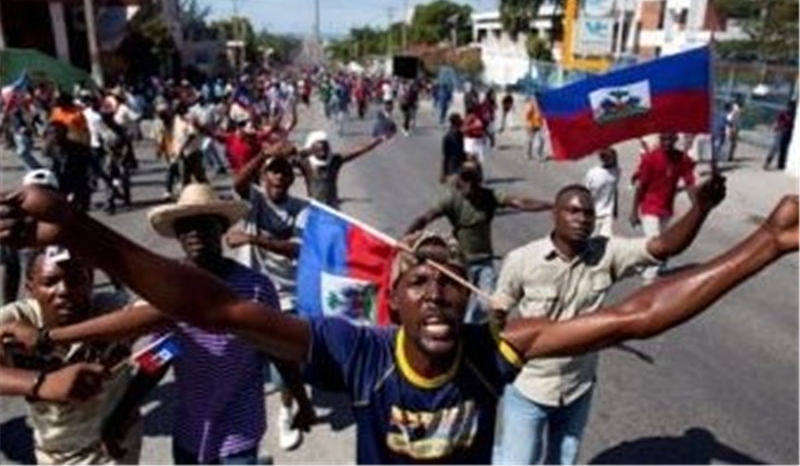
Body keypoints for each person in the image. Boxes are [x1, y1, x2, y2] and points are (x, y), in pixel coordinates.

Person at [1, 186, 796, 465]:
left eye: (451, 278)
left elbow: (635, 314)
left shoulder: (498, 348)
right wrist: (81, 228)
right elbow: (208, 305)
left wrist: (767, 242)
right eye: (418, 277)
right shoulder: (356, 351)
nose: (438, 290)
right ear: (394, 304)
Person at [3, 184, 313, 464]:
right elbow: (161, 355)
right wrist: (123, 413)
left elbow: (278, 351)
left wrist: (300, 398)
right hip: (192, 429)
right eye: (185, 227)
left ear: (220, 229)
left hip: (240, 424)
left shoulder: (255, 287)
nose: (194, 234)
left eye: (203, 226)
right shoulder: (166, 291)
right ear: (177, 236)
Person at [492, 176, 726, 465]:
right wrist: (498, 319)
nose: (581, 219)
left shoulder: (607, 252)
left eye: (588, 213)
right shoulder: (521, 260)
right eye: (573, 211)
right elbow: (497, 318)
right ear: (555, 215)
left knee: (563, 461)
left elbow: (664, 246)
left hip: (578, 387)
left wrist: (700, 209)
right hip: (529, 387)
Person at [0, 245, 162, 464]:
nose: (65, 290)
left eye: (76, 279)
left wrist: (126, 410)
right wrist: (42, 383)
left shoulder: (114, 309)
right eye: (50, 282)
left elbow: (165, 346)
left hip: (116, 444)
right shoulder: (15, 320)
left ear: (91, 282)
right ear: (31, 289)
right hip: (57, 454)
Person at [228, 147, 316, 451]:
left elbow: (298, 249)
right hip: (249, 291)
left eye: (283, 171)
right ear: (263, 176)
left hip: (286, 293)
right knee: (238, 360)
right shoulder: (254, 199)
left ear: (291, 177)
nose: (278, 176)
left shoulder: (301, 208)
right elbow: (238, 183)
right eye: (272, 170)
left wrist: (253, 239)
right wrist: (264, 152)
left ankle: (285, 412)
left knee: (284, 366)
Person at [406, 160, 551, 323]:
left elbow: (519, 202)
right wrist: (407, 237)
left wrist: (551, 205)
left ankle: (470, 330)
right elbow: (426, 217)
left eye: (472, 180)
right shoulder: (451, 200)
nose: (468, 185)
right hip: (460, 262)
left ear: (479, 180)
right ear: (459, 180)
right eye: (465, 180)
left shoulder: (489, 196)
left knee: (485, 303)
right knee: (458, 301)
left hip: (484, 262)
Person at [630, 133, 696, 283]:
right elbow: (641, 186)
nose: (666, 142)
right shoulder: (651, 158)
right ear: (659, 140)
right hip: (649, 206)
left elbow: (689, 183)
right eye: (663, 139)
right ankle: (649, 280)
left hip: (666, 208)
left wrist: (696, 206)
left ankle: (643, 262)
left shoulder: (682, 159)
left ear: (675, 140)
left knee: (661, 240)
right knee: (656, 242)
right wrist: (634, 211)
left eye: (669, 139)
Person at [296, 130, 391, 209]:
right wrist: (303, 152)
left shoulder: (335, 160)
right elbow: (285, 157)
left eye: (325, 148)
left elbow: (359, 150)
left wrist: (379, 140)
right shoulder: (305, 164)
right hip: (314, 207)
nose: (323, 152)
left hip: (332, 208)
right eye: (319, 149)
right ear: (311, 150)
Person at [583, 148, 620, 237]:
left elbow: (614, 189)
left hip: (608, 214)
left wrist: (615, 207)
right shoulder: (593, 173)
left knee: (606, 240)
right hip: (593, 213)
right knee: (591, 239)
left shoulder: (616, 171)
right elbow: (585, 194)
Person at [764, 100, 796, 171]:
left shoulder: (793, 115)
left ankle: (781, 164)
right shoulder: (784, 113)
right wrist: (777, 127)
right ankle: (768, 162)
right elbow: (777, 121)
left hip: (787, 133)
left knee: (783, 149)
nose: (791, 108)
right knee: (775, 147)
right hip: (780, 131)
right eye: (790, 107)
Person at [441, 113, 466, 184]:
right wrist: (443, 173)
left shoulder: (460, 134)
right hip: (453, 169)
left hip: (460, 166)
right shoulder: (448, 137)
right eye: (459, 120)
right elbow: (446, 156)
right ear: (456, 123)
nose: (461, 122)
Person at [524, 96, 546, 161]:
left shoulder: (542, 105)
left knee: (542, 140)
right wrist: (529, 124)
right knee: (530, 140)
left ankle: (539, 154)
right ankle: (528, 153)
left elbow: (544, 114)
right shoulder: (531, 105)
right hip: (531, 125)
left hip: (539, 125)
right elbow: (527, 115)